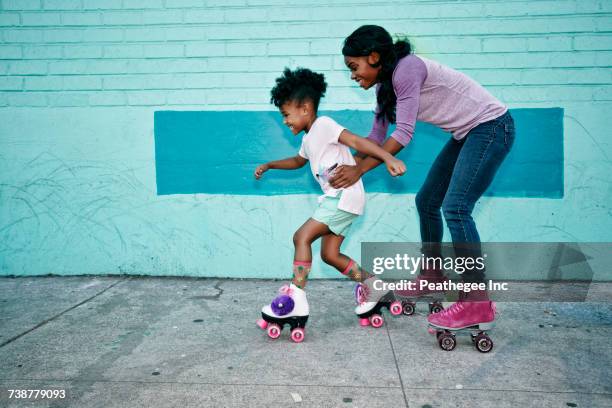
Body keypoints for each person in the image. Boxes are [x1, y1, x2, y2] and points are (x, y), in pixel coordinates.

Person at [333, 25, 516, 331]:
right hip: (468, 133)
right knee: (427, 200)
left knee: (456, 208)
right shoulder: (384, 87)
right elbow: (376, 138)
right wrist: (342, 163)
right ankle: (432, 274)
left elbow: (403, 134)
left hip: (492, 127)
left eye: (354, 67)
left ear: (374, 56)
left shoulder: (407, 70)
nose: (353, 75)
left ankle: (477, 301)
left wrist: (359, 170)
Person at [254, 67, 406, 342]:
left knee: (301, 236)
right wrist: (270, 165)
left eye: (287, 114)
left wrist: (387, 158)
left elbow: (357, 141)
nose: (285, 121)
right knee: (330, 255)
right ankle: (375, 286)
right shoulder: (309, 138)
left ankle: (296, 298)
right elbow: (298, 161)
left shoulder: (324, 125)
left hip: (343, 196)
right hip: (342, 199)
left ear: (305, 108)